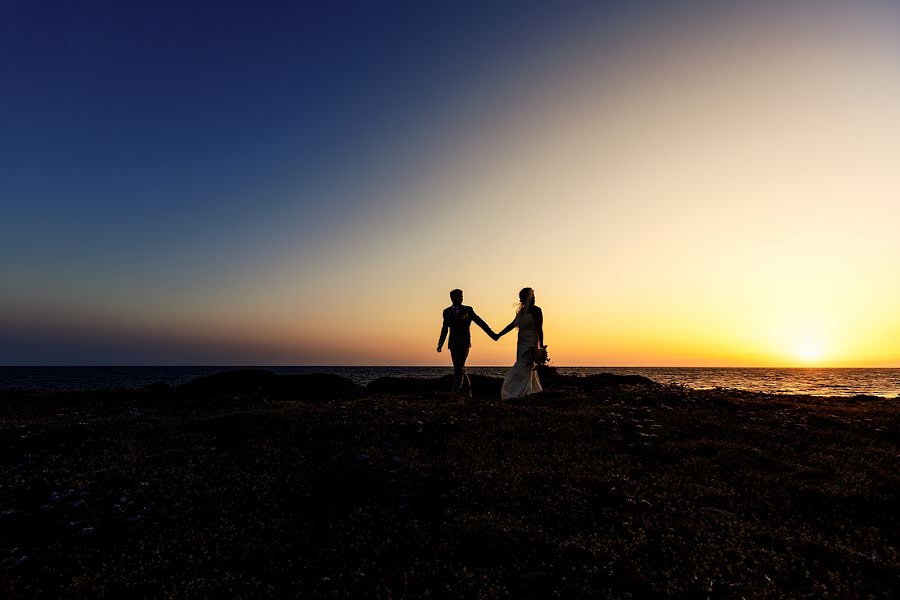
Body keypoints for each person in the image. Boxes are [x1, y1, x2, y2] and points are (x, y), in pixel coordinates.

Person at [437, 289, 497, 398]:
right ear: (452, 298)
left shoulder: (468, 310)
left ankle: (454, 394)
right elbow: (444, 328)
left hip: (464, 343)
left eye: (462, 296)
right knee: (459, 367)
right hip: (453, 344)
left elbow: (480, 322)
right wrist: (440, 343)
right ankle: (468, 393)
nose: (461, 298)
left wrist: (492, 334)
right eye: (459, 296)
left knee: (458, 368)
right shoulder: (446, 312)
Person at [496, 287, 544, 400]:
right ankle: (527, 390)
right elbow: (512, 325)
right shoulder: (522, 312)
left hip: (531, 340)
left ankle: (518, 390)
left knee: (525, 365)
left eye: (522, 297)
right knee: (522, 363)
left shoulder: (537, 310)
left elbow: (539, 328)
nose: (521, 300)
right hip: (521, 341)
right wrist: (499, 334)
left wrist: (541, 346)